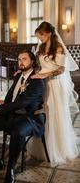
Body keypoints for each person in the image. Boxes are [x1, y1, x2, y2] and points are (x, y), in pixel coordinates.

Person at [0, 50, 46, 183]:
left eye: (24, 59)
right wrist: (3, 102)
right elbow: (13, 96)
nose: (21, 62)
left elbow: (22, 102)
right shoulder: (18, 76)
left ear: (32, 61)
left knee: (18, 131)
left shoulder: (37, 81)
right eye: (19, 59)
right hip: (13, 115)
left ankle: (11, 169)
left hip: (30, 118)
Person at [29, 21, 79, 166]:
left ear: (49, 33)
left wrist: (46, 75)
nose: (40, 39)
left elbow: (61, 69)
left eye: (41, 36)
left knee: (55, 113)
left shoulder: (58, 48)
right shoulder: (41, 47)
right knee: (44, 113)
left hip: (56, 84)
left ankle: (58, 149)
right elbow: (39, 65)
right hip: (43, 84)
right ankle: (43, 147)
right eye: (39, 37)